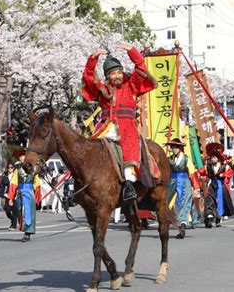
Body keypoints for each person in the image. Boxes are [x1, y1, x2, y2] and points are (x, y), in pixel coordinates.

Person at [82, 42, 157, 202]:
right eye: (113, 73)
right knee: (88, 149)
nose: (117, 76)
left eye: (119, 72)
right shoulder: (102, 89)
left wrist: (132, 51)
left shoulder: (131, 84)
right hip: (105, 127)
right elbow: (88, 79)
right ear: (107, 76)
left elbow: (142, 67)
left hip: (127, 127)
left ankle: (129, 185)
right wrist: (93, 59)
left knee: (129, 150)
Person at [197, 143, 234, 228]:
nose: (212, 159)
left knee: (219, 201)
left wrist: (224, 174)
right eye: (212, 157)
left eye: (214, 157)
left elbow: (231, 172)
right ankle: (210, 218)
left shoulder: (224, 166)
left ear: (218, 158)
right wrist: (199, 175)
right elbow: (200, 171)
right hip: (211, 184)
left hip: (220, 185)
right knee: (210, 200)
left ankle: (218, 218)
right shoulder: (207, 166)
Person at [166, 138, 195, 239]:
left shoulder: (186, 159)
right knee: (167, 202)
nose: (174, 149)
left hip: (184, 181)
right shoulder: (169, 159)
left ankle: (182, 226)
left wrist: (196, 186)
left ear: (180, 148)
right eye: (172, 147)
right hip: (172, 182)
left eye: (176, 147)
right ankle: (169, 220)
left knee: (184, 202)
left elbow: (192, 173)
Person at [8, 163, 41, 242]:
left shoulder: (34, 171)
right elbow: (13, 184)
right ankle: (25, 229)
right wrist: (11, 198)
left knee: (29, 213)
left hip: (30, 194)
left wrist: (38, 198)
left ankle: (27, 233)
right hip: (21, 194)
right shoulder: (18, 171)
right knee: (20, 212)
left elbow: (37, 184)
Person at [5, 163, 18, 231]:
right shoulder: (5, 176)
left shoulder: (15, 175)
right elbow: (1, 185)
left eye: (11, 167)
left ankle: (14, 224)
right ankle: (13, 220)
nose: (10, 169)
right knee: (7, 210)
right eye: (8, 167)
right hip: (7, 195)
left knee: (14, 210)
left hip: (14, 195)